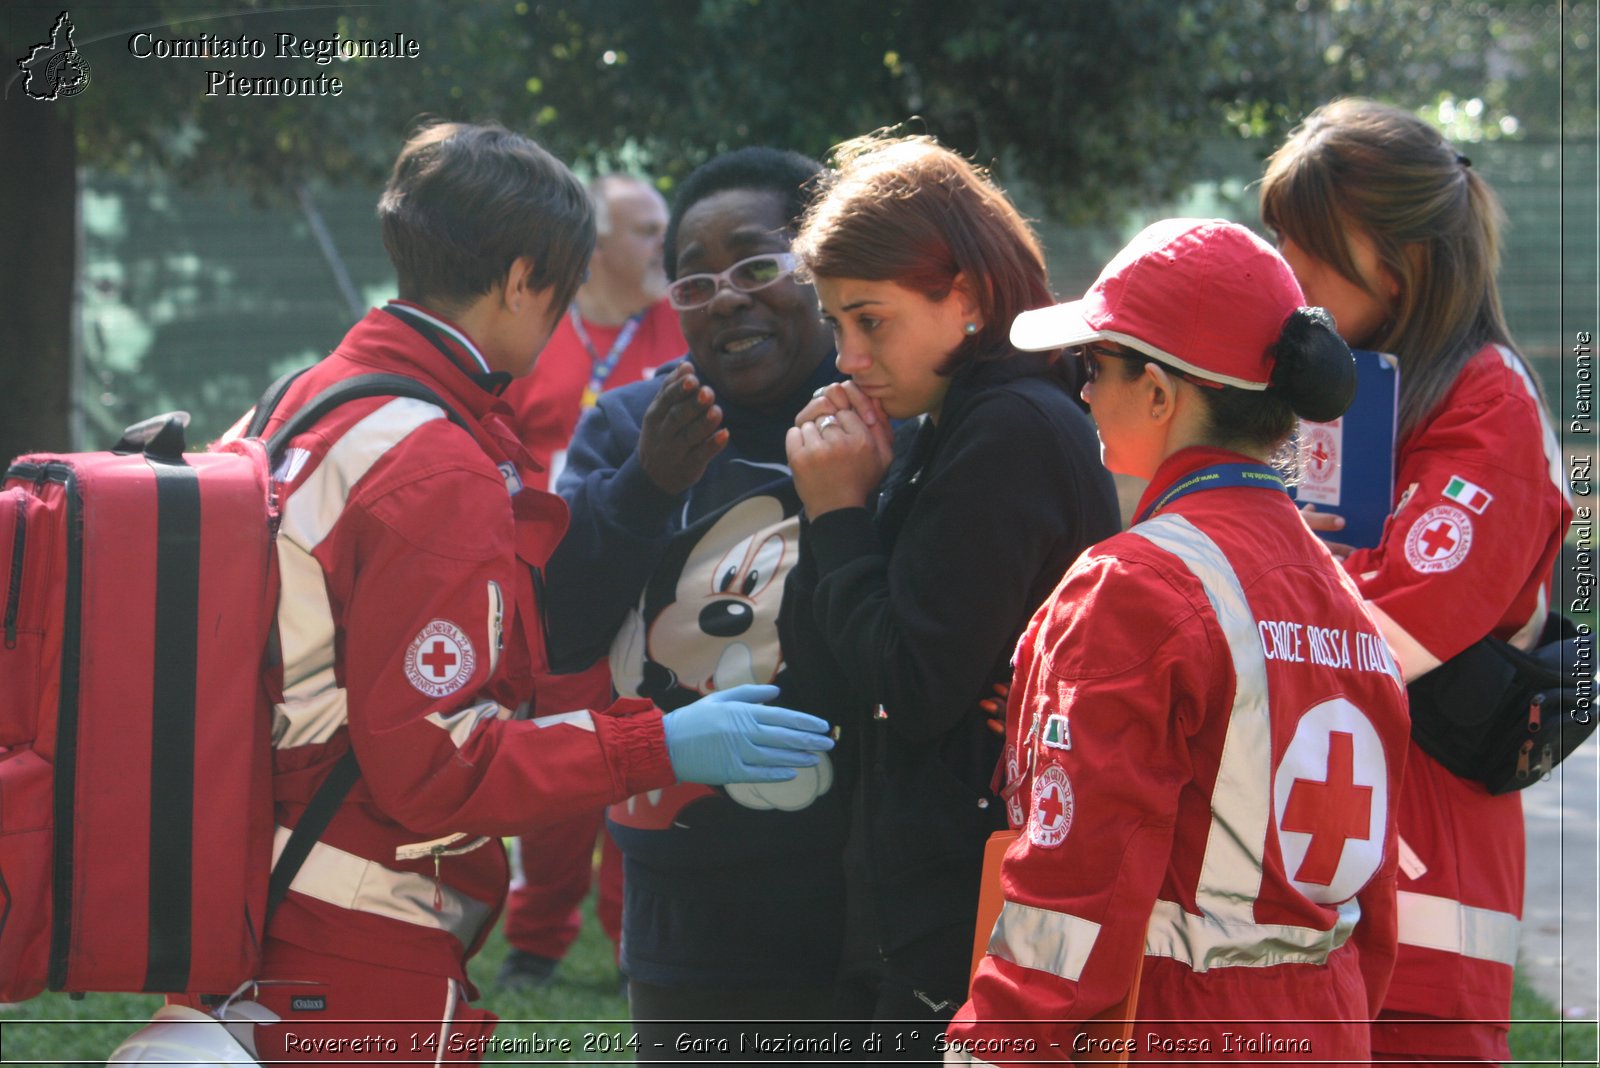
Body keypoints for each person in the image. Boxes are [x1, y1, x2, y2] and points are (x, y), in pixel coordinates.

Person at [178, 121, 834, 1064]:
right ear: (526, 280)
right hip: (355, 915)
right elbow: (437, 770)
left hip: (255, 879)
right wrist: (660, 742)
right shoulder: (431, 463)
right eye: (561, 296)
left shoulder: (301, 398)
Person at [947, 217, 1411, 1063]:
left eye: (1093, 366)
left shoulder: (1130, 589)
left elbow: (1070, 892)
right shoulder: (1344, 596)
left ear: (1160, 393)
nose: (1080, 391)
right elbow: (1370, 916)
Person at [777, 133, 1121, 1058]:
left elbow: (912, 686)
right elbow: (824, 675)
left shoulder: (1007, 427)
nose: (846, 356)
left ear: (964, 297)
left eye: (871, 321)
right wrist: (836, 515)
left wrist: (838, 513)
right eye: (834, 324)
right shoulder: (949, 420)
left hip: (981, 929)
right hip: (933, 910)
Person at [1260, 98, 1573, 1067]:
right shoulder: (1339, 382)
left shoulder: (1489, 406)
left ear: (1407, 261)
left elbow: (1379, 637)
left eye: (1307, 245)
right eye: (1275, 239)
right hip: (1320, 863)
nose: (1284, 273)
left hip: (1425, 889)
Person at [538, 147, 848, 1051]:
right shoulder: (635, 425)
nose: (727, 297)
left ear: (818, 265)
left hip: (854, 885)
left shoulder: (886, 415)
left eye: (757, 267)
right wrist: (643, 487)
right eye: (695, 280)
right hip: (682, 891)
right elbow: (555, 631)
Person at [496, 173, 686, 994]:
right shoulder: (538, 329)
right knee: (564, 760)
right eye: (647, 231)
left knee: (646, 754)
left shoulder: (680, 320)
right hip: (557, 582)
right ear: (599, 244)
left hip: (657, 573)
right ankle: (534, 942)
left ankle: (629, 944)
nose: (664, 248)